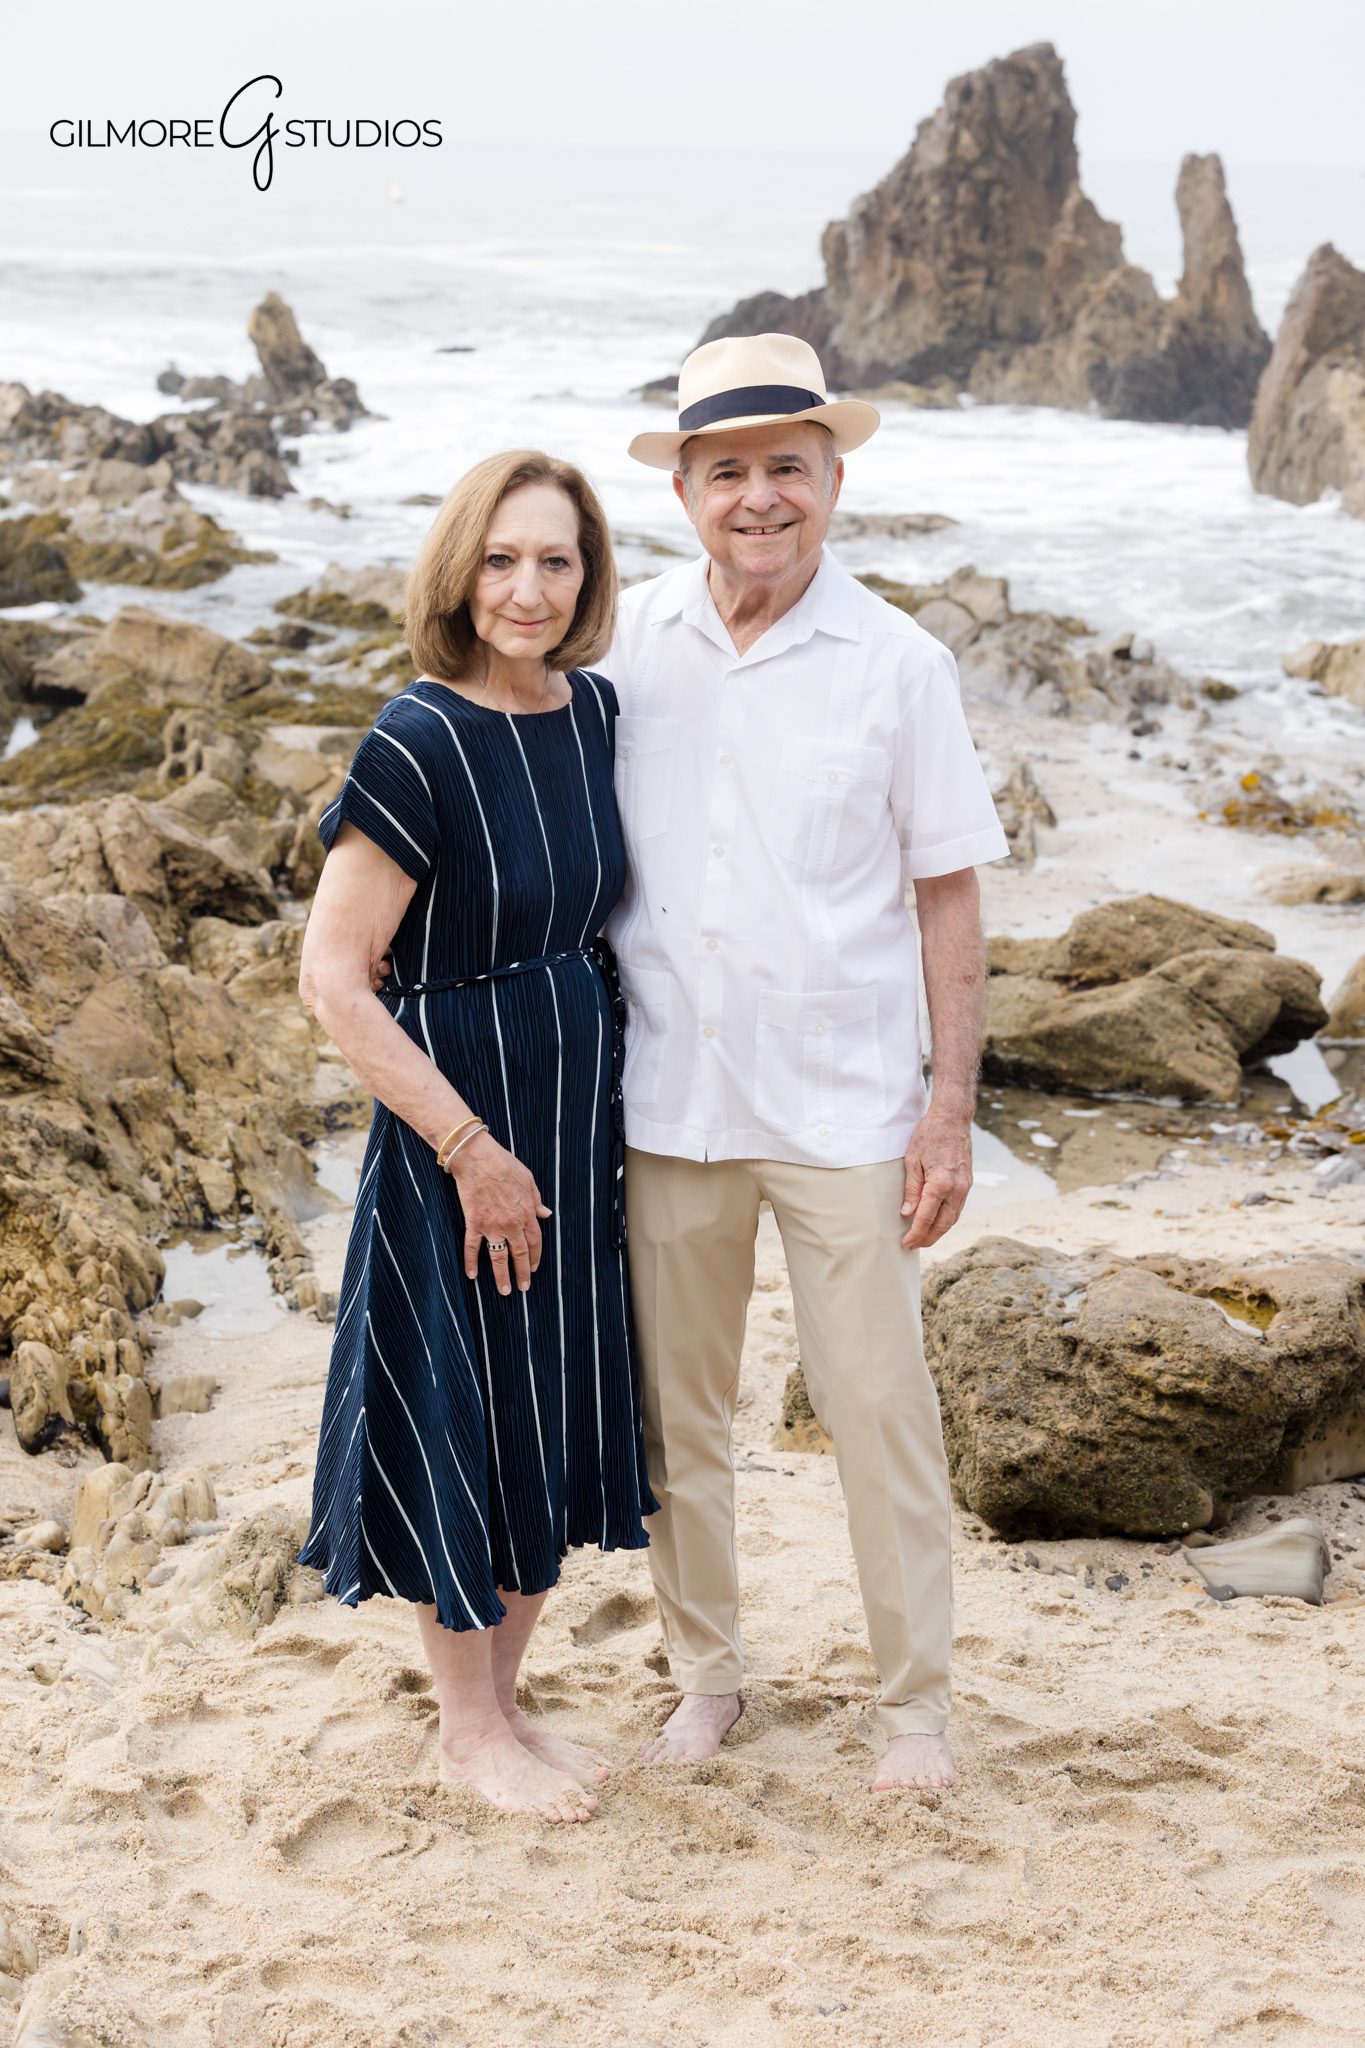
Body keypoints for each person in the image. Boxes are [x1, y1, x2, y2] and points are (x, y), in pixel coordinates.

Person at [609, 333, 1009, 1791]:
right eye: (727, 472)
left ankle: (915, 1710)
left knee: (880, 1415)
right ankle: (705, 1678)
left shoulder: (900, 664)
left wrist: (949, 1109)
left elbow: (948, 892)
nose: (759, 497)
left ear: (834, 481)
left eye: (787, 466)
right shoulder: (624, 642)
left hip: (847, 1106)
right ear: (685, 493)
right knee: (678, 1423)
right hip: (668, 1098)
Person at [298, 449, 656, 1825]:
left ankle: (506, 1702)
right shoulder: (417, 740)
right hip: (464, 1127)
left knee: (547, 1407)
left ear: (590, 575)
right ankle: (463, 1730)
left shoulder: (597, 712)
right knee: (469, 1407)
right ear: (459, 571)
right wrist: (469, 1150)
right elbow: (334, 979)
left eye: (556, 560)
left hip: (578, 1118)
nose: (528, 588)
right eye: (501, 559)